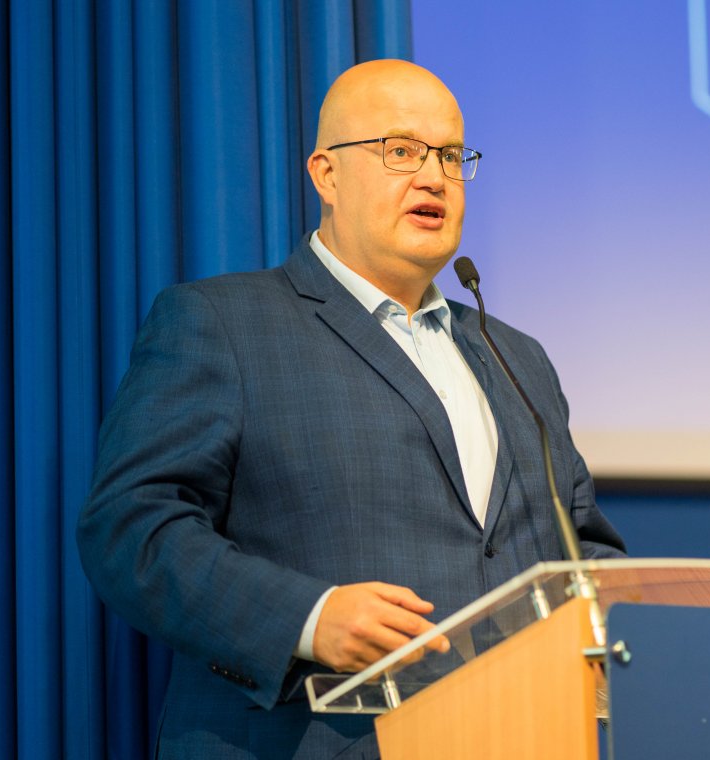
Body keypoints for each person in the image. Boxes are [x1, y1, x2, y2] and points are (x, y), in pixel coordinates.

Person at [77, 59, 626, 759]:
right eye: (401, 150)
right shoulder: (223, 323)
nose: (434, 177)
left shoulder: (518, 356)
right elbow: (131, 530)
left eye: (451, 156)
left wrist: (613, 623)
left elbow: (580, 548)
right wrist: (307, 618)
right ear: (326, 175)